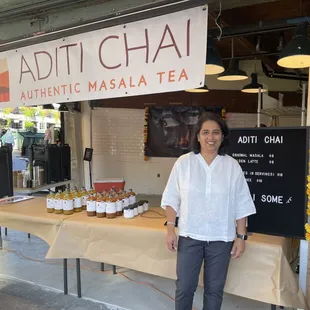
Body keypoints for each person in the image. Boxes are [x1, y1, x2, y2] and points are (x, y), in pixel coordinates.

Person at [161, 112, 256, 310]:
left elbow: (242, 203)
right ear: (197, 136)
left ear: (222, 136)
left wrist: (241, 236)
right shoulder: (184, 163)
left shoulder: (232, 166)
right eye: (205, 132)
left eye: (215, 132)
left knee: (214, 290)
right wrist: (170, 229)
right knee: (185, 288)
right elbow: (172, 198)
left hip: (221, 238)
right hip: (190, 237)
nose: (210, 137)